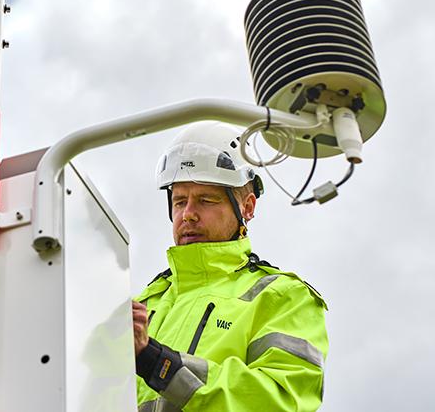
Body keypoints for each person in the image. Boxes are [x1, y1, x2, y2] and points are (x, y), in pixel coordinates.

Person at [132, 121, 328, 412]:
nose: (188, 215)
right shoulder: (146, 303)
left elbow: (278, 401)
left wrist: (154, 361)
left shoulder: (284, 297)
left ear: (247, 207)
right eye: (179, 201)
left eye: (206, 200)